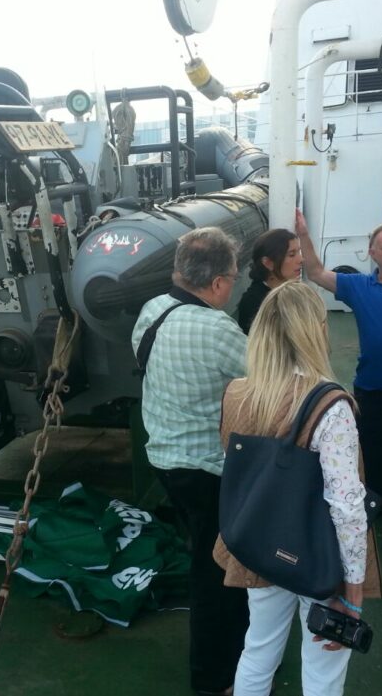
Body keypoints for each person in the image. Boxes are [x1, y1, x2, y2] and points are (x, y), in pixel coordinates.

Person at [214, 282, 373, 696]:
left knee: (259, 646)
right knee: (324, 667)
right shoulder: (329, 404)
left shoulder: (238, 392)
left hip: (261, 544)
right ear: (317, 329)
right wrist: (353, 590)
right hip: (319, 554)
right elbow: (346, 505)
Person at [131, 226, 249, 696]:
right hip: (208, 470)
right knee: (216, 574)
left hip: (164, 457)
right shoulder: (217, 328)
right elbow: (264, 380)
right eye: (234, 279)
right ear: (218, 283)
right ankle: (214, 678)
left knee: (203, 553)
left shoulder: (152, 312)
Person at [296, 211, 382, 514]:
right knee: (372, 449)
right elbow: (315, 273)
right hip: (372, 384)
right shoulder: (358, 286)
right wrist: (303, 236)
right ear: (372, 253)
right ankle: (380, 499)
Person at [237, 228, 303, 332]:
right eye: (291, 255)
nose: (301, 259)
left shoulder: (294, 290)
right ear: (268, 263)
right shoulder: (254, 304)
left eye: (299, 252)